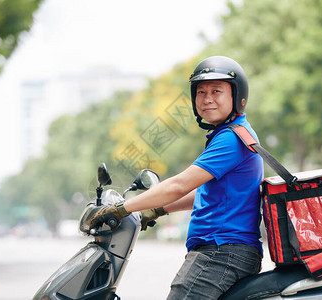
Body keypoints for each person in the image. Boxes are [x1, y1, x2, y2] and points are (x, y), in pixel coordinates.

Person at [90, 56, 264, 299]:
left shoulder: (231, 139)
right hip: (225, 251)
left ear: (237, 97)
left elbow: (180, 185)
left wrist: (122, 208)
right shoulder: (229, 134)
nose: (207, 99)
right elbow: (204, 194)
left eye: (216, 91)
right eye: (201, 92)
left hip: (221, 252)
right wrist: (157, 209)